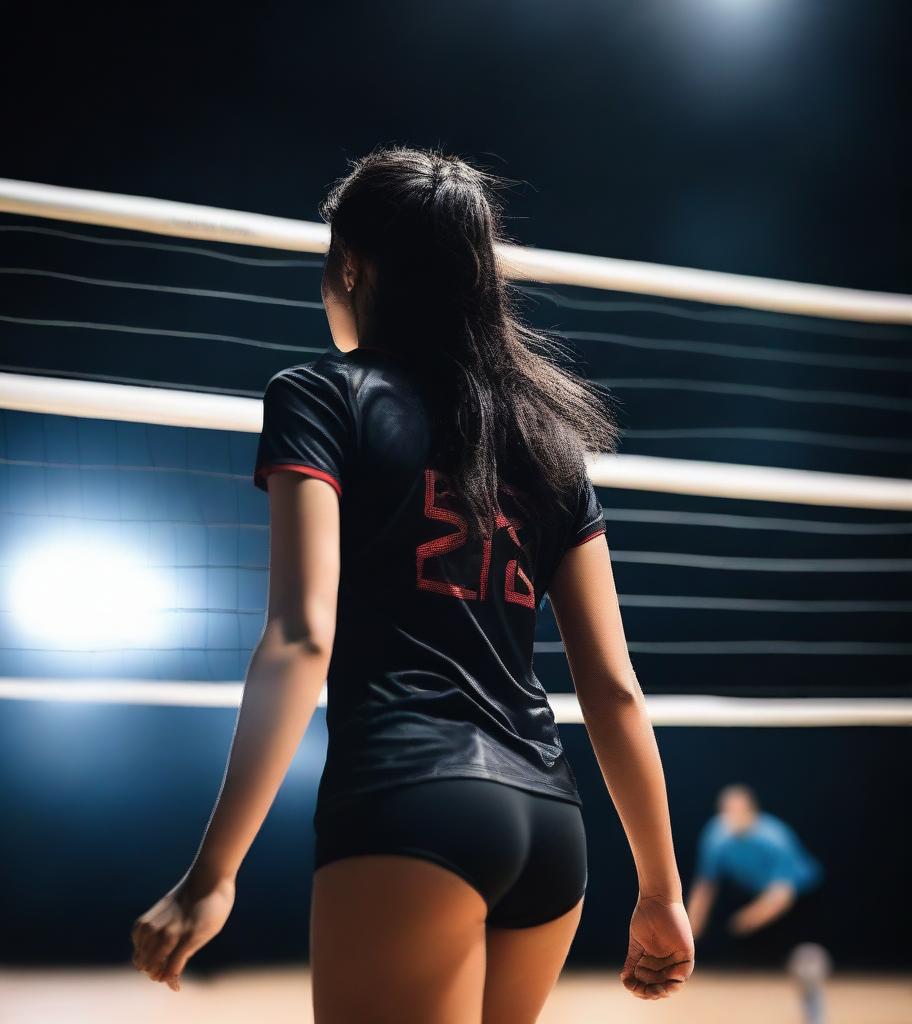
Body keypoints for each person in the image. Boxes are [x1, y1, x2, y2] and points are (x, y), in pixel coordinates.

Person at [130, 145, 695, 1021]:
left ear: (350, 266)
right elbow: (614, 688)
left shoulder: (320, 396)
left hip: (412, 804)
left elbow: (300, 636)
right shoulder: (551, 441)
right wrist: (660, 890)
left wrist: (214, 874)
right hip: (549, 827)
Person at [687, 784, 824, 968]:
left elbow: (782, 894)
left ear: (752, 811)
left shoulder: (775, 838)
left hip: (799, 893)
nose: (731, 817)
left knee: (796, 950)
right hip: (753, 890)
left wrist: (750, 918)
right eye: (726, 811)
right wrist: (688, 934)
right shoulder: (715, 836)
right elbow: (704, 887)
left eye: (738, 810)